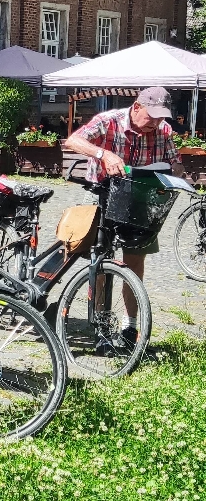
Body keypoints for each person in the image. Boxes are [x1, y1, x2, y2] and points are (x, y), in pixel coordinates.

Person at [62, 86, 184, 344]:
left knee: (135, 262)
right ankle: (100, 323)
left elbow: (176, 161)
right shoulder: (109, 121)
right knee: (100, 261)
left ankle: (130, 327)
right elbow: (73, 140)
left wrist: (176, 174)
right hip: (102, 195)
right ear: (137, 107)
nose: (156, 123)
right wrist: (103, 154)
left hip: (140, 200)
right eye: (152, 116)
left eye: (162, 117)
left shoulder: (163, 131)